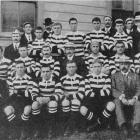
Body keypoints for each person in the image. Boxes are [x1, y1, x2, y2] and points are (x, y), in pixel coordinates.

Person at [4, 61, 37, 139]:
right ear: (15, 69)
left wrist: (17, 91)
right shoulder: (11, 79)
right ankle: (16, 132)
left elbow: (29, 94)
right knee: (7, 109)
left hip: (26, 102)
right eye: (18, 67)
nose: (20, 69)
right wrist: (22, 91)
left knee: (27, 110)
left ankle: (23, 132)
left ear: (25, 68)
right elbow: (11, 94)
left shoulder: (29, 79)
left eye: (21, 67)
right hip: (15, 101)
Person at [80, 59, 115, 132]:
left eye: (99, 66)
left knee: (111, 105)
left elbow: (107, 92)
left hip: (103, 101)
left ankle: (98, 123)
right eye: (95, 66)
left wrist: (94, 91)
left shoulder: (106, 77)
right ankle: (97, 122)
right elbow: (87, 92)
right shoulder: (87, 77)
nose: (97, 68)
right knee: (82, 109)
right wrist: (101, 90)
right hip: (92, 101)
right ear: (91, 67)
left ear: (102, 67)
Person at [112, 57, 140, 137]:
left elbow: (139, 89)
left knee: (138, 103)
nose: (123, 66)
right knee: (116, 102)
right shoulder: (114, 76)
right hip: (120, 99)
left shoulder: (135, 76)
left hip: (131, 98)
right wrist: (121, 97)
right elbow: (113, 90)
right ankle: (123, 125)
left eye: (126, 64)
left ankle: (136, 125)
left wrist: (134, 98)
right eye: (121, 64)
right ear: (119, 65)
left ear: (129, 65)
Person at [56, 60, 85, 136]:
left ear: (76, 68)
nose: (71, 69)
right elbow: (59, 92)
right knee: (65, 103)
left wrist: (69, 95)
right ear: (66, 68)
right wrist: (66, 95)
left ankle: (74, 127)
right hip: (66, 100)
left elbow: (81, 94)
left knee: (75, 103)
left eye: (73, 67)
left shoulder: (80, 78)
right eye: (69, 67)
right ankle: (67, 128)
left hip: (76, 99)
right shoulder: (62, 79)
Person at [31, 65, 59, 138]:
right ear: (41, 72)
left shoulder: (56, 80)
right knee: (34, 105)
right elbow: (33, 93)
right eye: (43, 72)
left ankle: (51, 130)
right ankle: (38, 130)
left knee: (53, 104)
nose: (45, 73)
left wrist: (49, 98)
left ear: (51, 72)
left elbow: (59, 94)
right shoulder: (37, 80)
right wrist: (38, 98)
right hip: (41, 100)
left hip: (51, 100)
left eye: (47, 71)